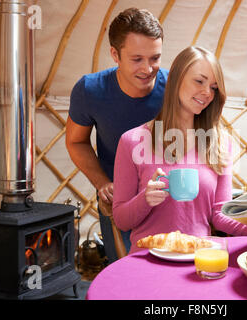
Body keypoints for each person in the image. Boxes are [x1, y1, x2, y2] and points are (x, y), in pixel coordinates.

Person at [112, 46, 247, 253]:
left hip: (197, 259)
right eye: (199, 81)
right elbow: (121, 220)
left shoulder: (219, 143)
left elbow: (220, 215)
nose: (207, 93)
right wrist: (144, 199)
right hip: (147, 259)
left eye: (214, 87)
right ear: (176, 79)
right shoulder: (132, 141)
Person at [66, 8, 168, 263]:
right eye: (137, 59)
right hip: (119, 201)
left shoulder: (175, 87)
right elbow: (76, 141)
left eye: (155, 58)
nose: (148, 68)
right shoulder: (89, 90)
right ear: (115, 54)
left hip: (167, 198)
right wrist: (102, 183)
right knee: (125, 274)